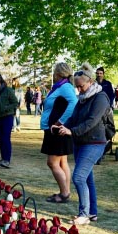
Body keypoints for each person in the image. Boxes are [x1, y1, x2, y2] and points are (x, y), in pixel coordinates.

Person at [55, 63, 110, 225]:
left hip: (95, 142)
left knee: (78, 177)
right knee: (87, 178)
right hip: (81, 142)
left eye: (81, 86)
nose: (79, 90)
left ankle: (84, 214)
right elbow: (74, 118)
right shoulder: (82, 99)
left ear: (90, 82)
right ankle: (92, 213)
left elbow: (92, 121)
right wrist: (61, 126)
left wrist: (72, 131)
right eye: (77, 87)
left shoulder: (100, 98)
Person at [40, 62, 78, 204]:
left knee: (52, 162)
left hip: (57, 131)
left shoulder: (65, 87)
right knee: (62, 162)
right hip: (55, 130)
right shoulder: (60, 86)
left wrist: (60, 122)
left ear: (58, 74)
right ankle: (65, 191)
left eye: (54, 72)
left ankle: (64, 193)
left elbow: (74, 103)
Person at [0, 74, 20, 168]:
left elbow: (15, 103)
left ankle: (7, 160)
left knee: (6, 138)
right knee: (1, 139)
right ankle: (3, 158)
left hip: (7, 117)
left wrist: (6, 108)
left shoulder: (8, 90)